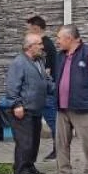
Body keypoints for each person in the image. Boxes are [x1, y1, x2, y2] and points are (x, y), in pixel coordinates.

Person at [53, 24, 88, 174]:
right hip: (62, 108)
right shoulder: (60, 55)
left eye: (59, 38)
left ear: (69, 38)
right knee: (61, 142)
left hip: (84, 108)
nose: (57, 41)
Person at [3, 33, 55, 174]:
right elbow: (12, 86)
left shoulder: (39, 61)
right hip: (23, 110)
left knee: (34, 141)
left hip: (36, 108)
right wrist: (17, 104)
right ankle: (19, 171)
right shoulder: (19, 62)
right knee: (24, 142)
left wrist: (59, 88)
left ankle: (30, 166)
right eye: (39, 44)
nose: (42, 46)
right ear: (29, 47)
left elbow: (46, 81)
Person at [27, 15, 60, 160]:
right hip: (43, 90)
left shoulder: (46, 46)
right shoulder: (47, 44)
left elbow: (46, 71)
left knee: (53, 121)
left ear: (36, 28)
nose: (27, 32)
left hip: (47, 91)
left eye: (29, 29)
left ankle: (59, 150)